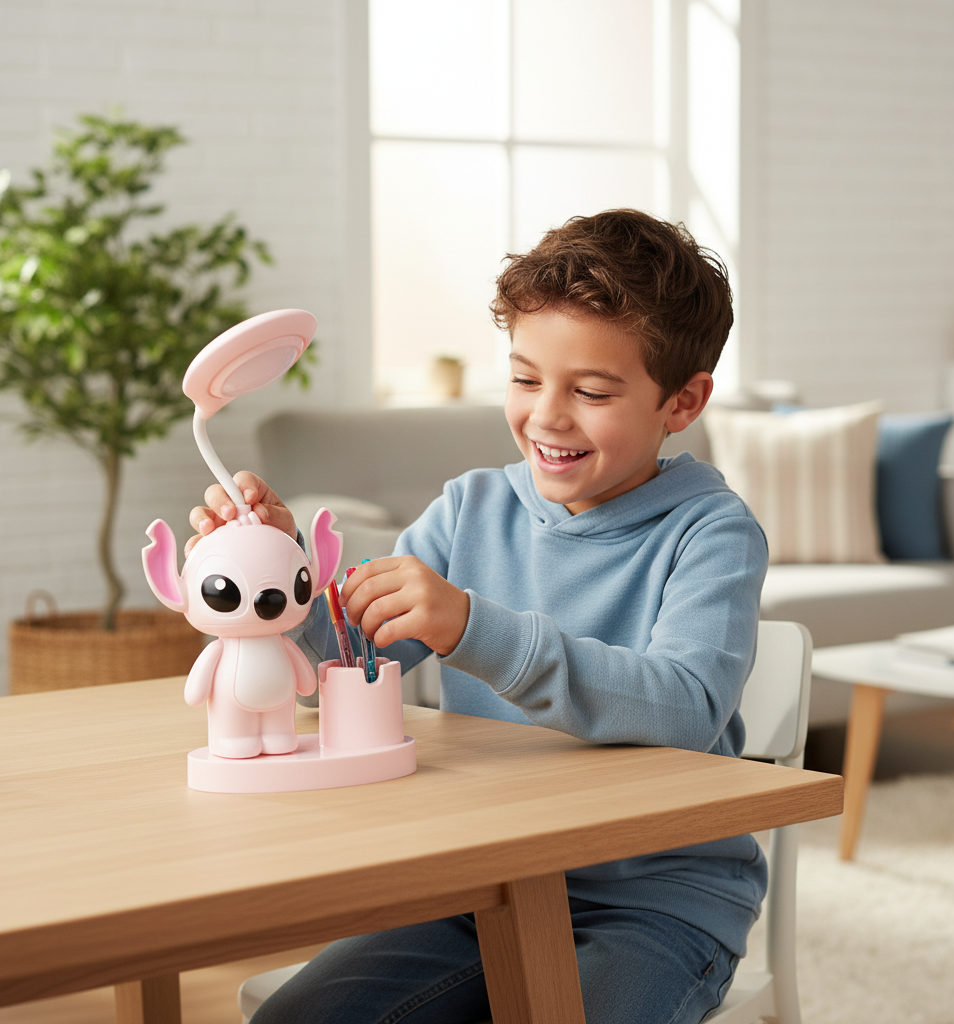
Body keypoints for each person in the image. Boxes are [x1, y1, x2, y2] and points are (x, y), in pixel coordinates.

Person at [189, 209, 769, 1024]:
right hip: (478, 885)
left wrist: (471, 628)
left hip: (655, 904)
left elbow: (685, 707)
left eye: (591, 391)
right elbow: (340, 663)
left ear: (683, 401)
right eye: (526, 380)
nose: (548, 415)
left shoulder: (712, 533)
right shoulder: (470, 509)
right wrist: (278, 577)